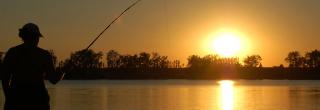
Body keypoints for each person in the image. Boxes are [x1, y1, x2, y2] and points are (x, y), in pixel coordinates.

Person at [2, 23, 65, 110]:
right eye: (36, 37)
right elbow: (53, 80)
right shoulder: (44, 55)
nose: (37, 39)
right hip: (38, 101)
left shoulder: (12, 53)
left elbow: (5, 79)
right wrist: (62, 72)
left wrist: (9, 98)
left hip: (16, 100)